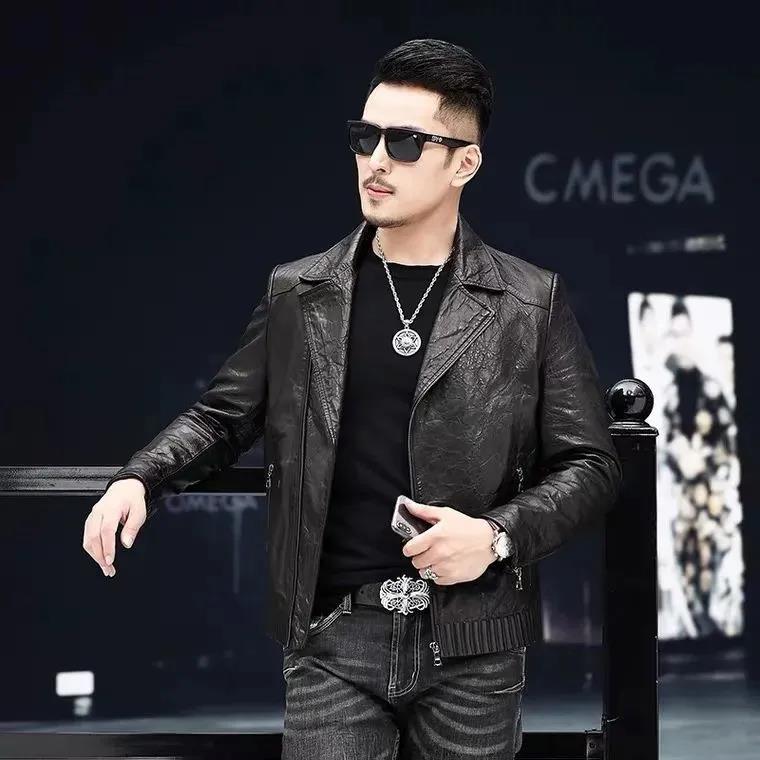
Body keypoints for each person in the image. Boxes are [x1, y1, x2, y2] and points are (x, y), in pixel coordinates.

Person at [83, 38, 622, 760]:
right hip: (333, 636)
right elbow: (223, 415)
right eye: (365, 137)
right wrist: (139, 476)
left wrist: (494, 537)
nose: (376, 161)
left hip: (474, 642)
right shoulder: (299, 291)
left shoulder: (529, 300)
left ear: (465, 163)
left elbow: (591, 465)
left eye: (405, 143)